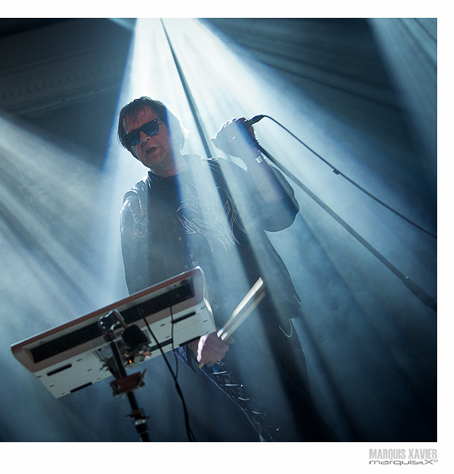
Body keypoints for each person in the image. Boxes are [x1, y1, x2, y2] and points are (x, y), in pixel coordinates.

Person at [118, 96, 336, 441]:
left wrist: (249, 154)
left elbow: (281, 212)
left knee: (306, 417)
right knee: (287, 427)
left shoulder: (219, 170)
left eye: (149, 128)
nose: (143, 140)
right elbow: (144, 291)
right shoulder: (138, 206)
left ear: (172, 128)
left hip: (271, 313)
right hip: (219, 336)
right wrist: (191, 339)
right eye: (133, 138)